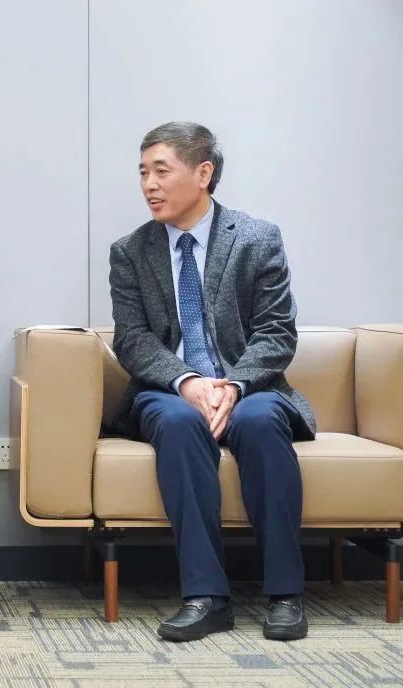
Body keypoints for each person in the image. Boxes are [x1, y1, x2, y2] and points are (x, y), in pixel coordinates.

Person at [108, 122, 315, 642]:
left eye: (161, 171)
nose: (149, 185)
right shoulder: (130, 251)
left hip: (250, 388)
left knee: (262, 421)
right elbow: (132, 339)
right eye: (143, 173)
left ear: (203, 173)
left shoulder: (256, 239)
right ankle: (206, 598)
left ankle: (286, 595)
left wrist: (232, 385)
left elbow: (276, 332)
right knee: (178, 423)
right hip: (169, 392)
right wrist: (186, 380)